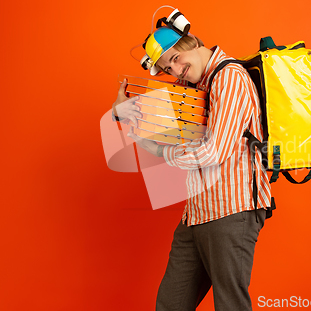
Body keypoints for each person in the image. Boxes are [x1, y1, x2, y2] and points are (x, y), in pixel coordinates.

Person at [112, 17, 272, 311]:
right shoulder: (196, 87)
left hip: (231, 210)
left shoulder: (229, 78)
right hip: (197, 213)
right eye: (167, 68)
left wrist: (165, 154)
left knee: (230, 305)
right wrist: (126, 119)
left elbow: (213, 152)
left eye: (175, 58)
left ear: (193, 42)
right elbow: (171, 140)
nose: (174, 70)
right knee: (171, 305)